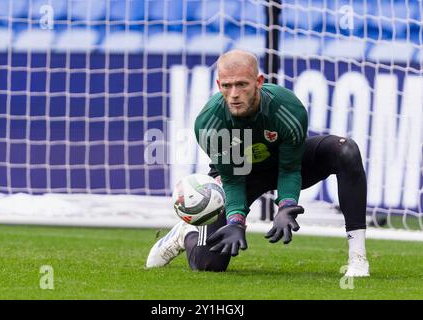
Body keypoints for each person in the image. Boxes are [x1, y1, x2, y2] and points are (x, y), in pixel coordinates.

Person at [146, 49, 369, 277]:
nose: (234, 94)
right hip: (240, 174)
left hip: (283, 163)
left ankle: (358, 257)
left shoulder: (287, 108)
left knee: (345, 150)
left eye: (242, 84)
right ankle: (186, 234)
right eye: (227, 85)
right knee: (209, 264)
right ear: (218, 84)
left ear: (259, 82)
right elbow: (233, 180)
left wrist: (286, 206)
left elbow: (290, 168)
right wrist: (235, 222)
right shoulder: (209, 123)